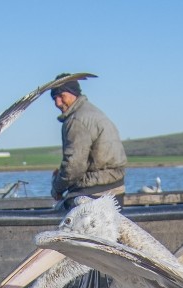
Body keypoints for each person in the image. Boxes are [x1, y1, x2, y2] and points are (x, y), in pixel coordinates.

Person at [49, 73, 127, 210]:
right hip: (116, 187)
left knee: (60, 214)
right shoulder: (93, 112)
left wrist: (56, 187)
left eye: (61, 96)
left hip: (96, 190)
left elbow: (74, 167)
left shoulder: (76, 121)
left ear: (74, 93)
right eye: (54, 98)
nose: (57, 103)